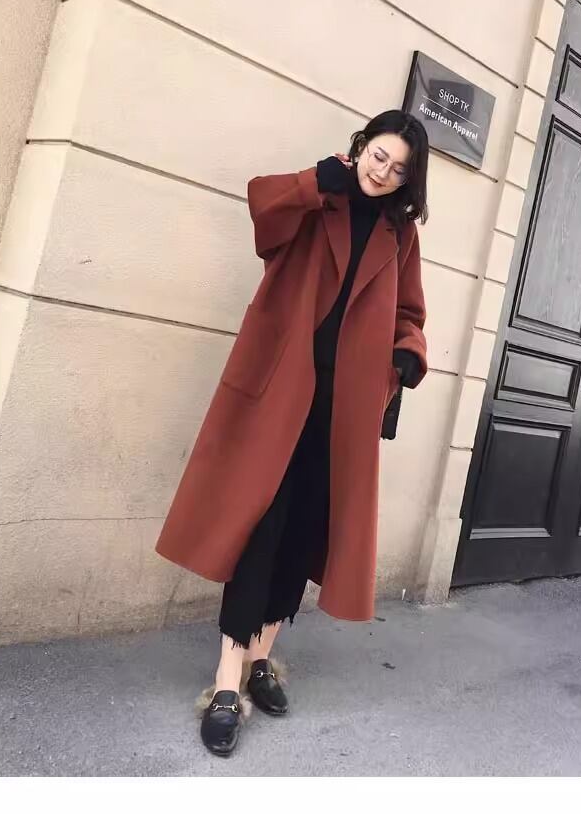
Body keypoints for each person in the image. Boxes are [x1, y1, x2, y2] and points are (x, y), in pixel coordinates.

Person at [155, 110, 429, 756]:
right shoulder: (318, 196)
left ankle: (261, 659)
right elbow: (262, 210)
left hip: (345, 410)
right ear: (361, 146)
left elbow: (410, 314)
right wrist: (314, 181)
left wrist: (403, 358)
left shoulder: (400, 235)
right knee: (260, 530)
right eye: (378, 156)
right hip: (281, 394)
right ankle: (226, 683)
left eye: (397, 169)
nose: (382, 172)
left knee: (304, 533)